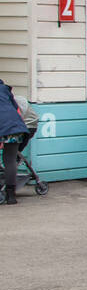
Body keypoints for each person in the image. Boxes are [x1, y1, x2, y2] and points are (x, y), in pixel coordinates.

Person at [0, 77, 27, 205]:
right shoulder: (5, 89)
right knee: (10, 160)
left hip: (3, 126)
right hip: (16, 126)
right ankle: (11, 195)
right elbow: (16, 108)